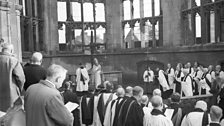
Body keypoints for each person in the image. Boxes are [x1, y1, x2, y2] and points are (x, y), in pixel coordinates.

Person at [0, 43, 25, 112]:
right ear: (11, 50)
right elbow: (21, 78)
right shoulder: (13, 60)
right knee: (12, 116)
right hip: (11, 94)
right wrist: (20, 89)